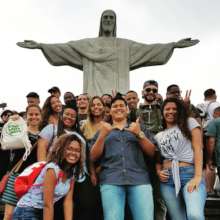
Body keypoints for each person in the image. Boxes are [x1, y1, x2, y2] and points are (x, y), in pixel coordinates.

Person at [17, 10, 199, 96]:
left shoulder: (124, 46)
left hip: (118, 99)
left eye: (111, 18)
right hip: (92, 99)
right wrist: (41, 45)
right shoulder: (87, 44)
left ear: (115, 22)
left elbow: (149, 49)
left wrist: (173, 45)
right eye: (105, 17)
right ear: (100, 21)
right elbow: (65, 48)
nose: (108, 20)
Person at [90, 94, 156, 220]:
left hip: (139, 180)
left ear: (127, 109)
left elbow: (152, 152)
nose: (118, 108)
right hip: (111, 180)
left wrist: (139, 134)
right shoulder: (103, 130)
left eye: (121, 106)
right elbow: (93, 157)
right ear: (110, 111)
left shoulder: (138, 127)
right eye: (115, 106)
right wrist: (103, 136)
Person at [12, 133, 85, 220]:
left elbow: (68, 202)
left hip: (41, 211)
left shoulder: (71, 173)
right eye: (69, 149)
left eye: (77, 150)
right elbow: (47, 204)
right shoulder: (52, 169)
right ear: (61, 149)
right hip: (26, 211)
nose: (73, 153)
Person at [155, 98, 206, 220]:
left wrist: (198, 176)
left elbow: (198, 149)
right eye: (167, 109)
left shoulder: (190, 122)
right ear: (162, 112)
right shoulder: (159, 135)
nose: (171, 111)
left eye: (174, 109)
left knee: (195, 215)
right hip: (167, 181)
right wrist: (158, 171)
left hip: (189, 174)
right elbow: (157, 158)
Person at [2, 105, 42, 220]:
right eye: (31, 114)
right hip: (16, 175)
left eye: (36, 114)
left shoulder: (44, 134)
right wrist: (11, 121)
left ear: (41, 116)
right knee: (9, 214)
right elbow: (6, 141)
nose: (33, 117)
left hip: (34, 179)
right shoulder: (20, 129)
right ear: (26, 116)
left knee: (27, 214)